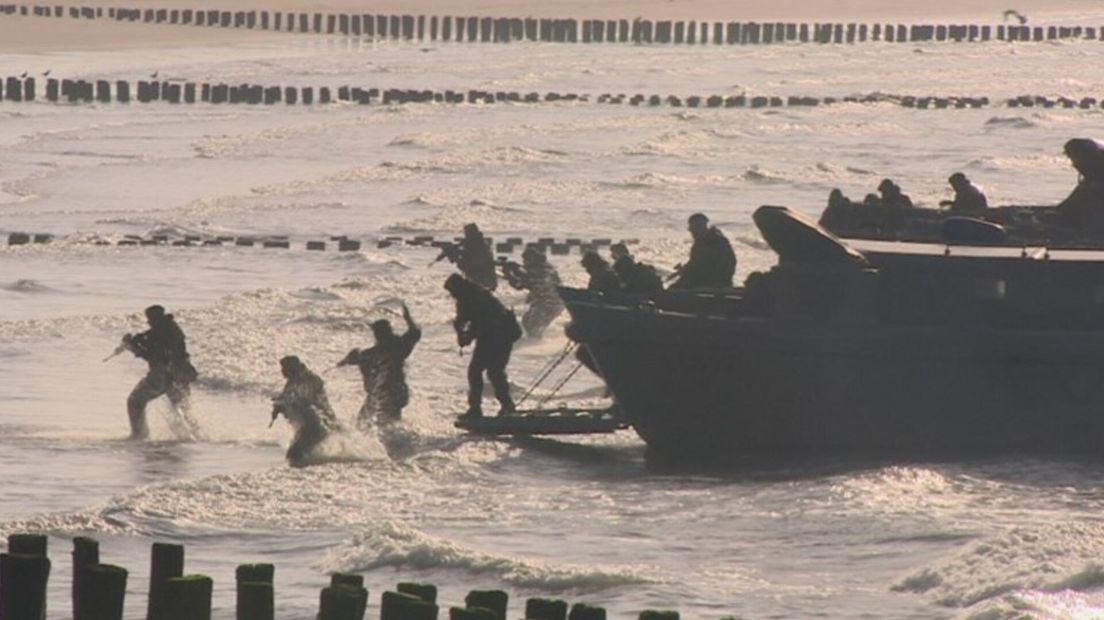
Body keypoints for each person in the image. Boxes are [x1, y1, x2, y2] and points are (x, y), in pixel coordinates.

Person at [444, 273, 522, 419]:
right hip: (494, 335)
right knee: (493, 372)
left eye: (452, 292)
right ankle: (506, 405)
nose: (452, 296)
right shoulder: (465, 298)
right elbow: (463, 320)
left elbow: (483, 322)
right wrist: (461, 333)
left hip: (499, 335)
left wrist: (468, 336)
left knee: (479, 371)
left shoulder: (476, 297)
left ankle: (478, 408)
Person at [338, 304, 421, 426]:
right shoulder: (400, 347)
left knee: (364, 424)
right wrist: (408, 318)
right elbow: (415, 332)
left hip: (386, 394)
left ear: (376, 335)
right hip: (396, 393)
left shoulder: (370, 354)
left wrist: (348, 359)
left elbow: (347, 361)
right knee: (385, 423)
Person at [123, 305, 198, 440]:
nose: (148, 322)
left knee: (135, 402)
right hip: (181, 375)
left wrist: (131, 347)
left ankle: (139, 434)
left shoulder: (160, 334)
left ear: (156, 318)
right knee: (181, 410)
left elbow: (152, 355)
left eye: (150, 319)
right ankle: (192, 437)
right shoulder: (171, 329)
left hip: (163, 375)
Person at [271, 355, 339, 467]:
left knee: (294, 455)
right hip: (313, 425)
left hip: (317, 426)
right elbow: (285, 399)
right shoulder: (294, 381)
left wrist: (284, 404)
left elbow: (306, 402)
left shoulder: (309, 380)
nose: (282, 371)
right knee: (295, 455)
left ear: (292, 369)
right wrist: (278, 406)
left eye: (284, 368)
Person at [502, 246, 564, 338]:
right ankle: (540, 342)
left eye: (525, 260)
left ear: (531, 260)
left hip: (550, 304)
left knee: (533, 327)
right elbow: (526, 278)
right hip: (548, 302)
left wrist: (510, 274)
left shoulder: (542, 270)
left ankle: (539, 346)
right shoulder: (543, 267)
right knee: (527, 322)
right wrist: (515, 271)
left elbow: (520, 284)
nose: (524, 263)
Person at [669, 213, 737, 290]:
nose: (692, 233)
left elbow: (728, 264)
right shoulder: (699, 244)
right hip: (701, 281)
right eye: (691, 230)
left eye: (694, 229)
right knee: (675, 289)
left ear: (701, 227)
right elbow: (695, 263)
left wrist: (718, 282)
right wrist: (685, 270)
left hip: (714, 283)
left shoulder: (718, 242)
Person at [1057, 138, 1104, 229]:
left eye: (1077, 160)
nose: (1074, 165)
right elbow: (1068, 205)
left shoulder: (1096, 183)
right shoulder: (1091, 180)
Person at [435, 223, 497, 291]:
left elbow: (474, 257)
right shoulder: (474, 241)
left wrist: (457, 254)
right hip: (480, 276)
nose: (466, 235)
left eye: (467, 233)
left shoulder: (478, 243)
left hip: (484, 277)